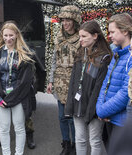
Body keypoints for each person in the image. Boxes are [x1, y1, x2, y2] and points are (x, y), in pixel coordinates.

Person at [0, 21, 36, 155]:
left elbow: (26, 82)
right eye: (5, 35)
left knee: (19, 128)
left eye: (11, 35)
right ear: (1, 36)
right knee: (3, 128)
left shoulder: (25, 54)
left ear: (17, 35)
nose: (8, 39)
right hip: (1, 99)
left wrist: (12, 99)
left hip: (18, 98)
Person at [65, 20, 112, 155]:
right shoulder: (80, 54)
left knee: (95, 140)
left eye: (84, 36)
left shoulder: (104, 58)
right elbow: (73, 81)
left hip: (94, 107)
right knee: (79, 139)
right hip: (78, 104)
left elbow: (99, 88)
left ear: (95, 36)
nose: (81, 40)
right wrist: (70, 105)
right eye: (80, 36)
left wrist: (91, 111)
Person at [95, 13, 132, 149]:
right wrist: (101, 108)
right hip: (110, 116)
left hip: (121, 121)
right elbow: (106, 83)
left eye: (112, 32)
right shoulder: (116, 53)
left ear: (125, 31)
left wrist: (103, 111)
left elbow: (126, 92)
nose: (109, 35)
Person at [46, 5, 82, 155]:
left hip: (73, 83)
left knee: (72, 117)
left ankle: (74, 144)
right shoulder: (59, 37)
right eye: (63, 20)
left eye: (68, 20)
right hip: (59, 82)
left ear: (75, 21)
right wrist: (50, 80)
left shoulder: (81, 39)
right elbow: (54, 60)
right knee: (61, 117)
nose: (65, 23)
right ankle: (66, 143)